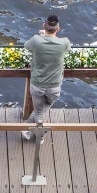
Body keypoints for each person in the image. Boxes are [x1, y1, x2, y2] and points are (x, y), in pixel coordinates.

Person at [22, 14, 70, 142]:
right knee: (45, 107)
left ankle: (33, 132)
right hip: (54, 86)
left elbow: (26, 46)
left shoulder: (36, 40)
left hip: (37, 84)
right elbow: (67, 48)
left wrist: (43, 36)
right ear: (58, 28)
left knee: (39, 112)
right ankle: (37, 135)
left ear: (44, 25)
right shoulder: (64, 42)